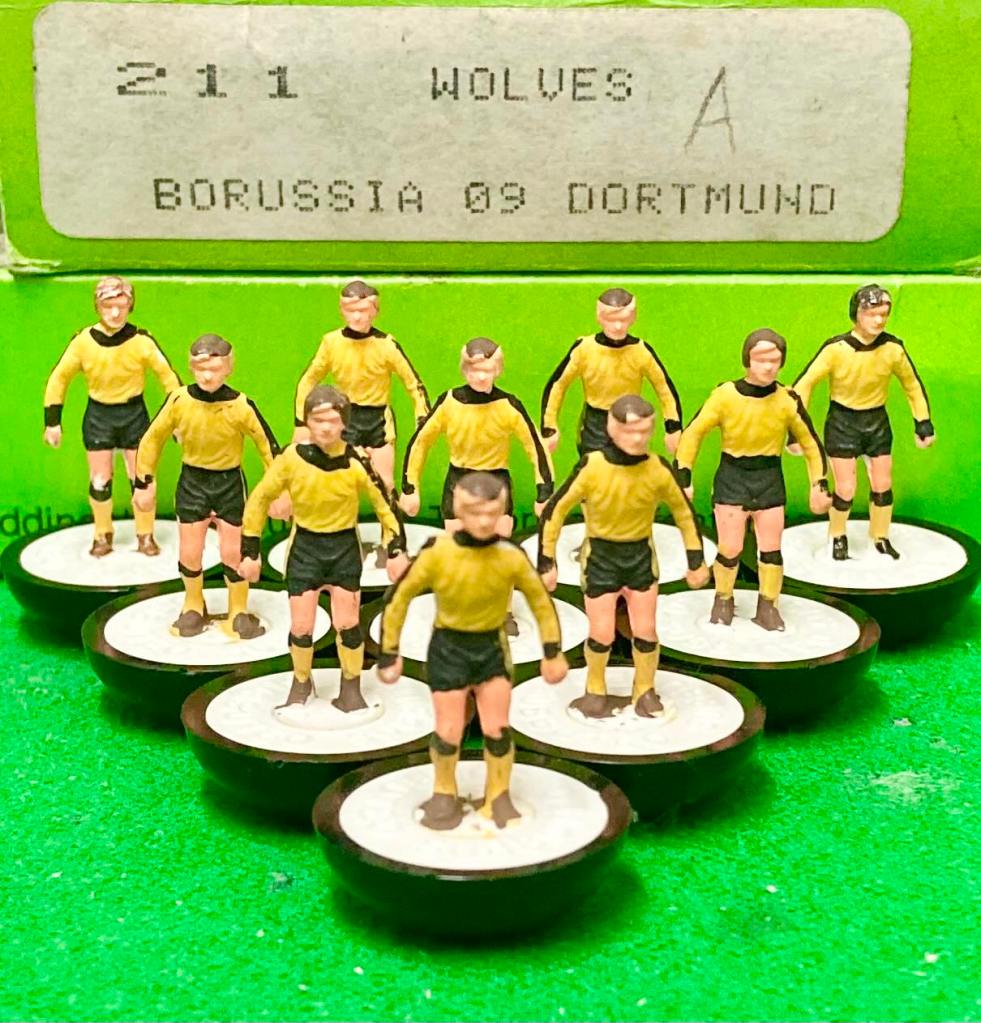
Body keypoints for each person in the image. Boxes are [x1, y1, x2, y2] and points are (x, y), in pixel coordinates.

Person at [377, 472, 567, 831]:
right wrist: (389, 652)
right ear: (458, 510)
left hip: (491, 649)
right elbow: (399, 598)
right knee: (449, 729)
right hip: (449, 649)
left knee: (497, 728)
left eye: (491, 513)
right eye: (474, 512)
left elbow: (540, 601)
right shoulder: (437, 552)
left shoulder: (511, 556)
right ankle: (443, 792)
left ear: (502, 510)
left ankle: (499, 795)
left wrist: (552, 651)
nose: (482, 522)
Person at [538, 395, 709, 718]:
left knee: (645, 630)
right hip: (601, 558)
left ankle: (645, 690)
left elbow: (684, 513)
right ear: (612, 428)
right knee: (601, 633)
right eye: (630, 431)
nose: (637, 439)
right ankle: (595, 689)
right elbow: (555, 511)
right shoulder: (592, 467)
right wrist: (547, 561)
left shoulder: (657, 468)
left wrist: (695, 560)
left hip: (640, 558)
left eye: (644, 431)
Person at [239, 386, 408, 711]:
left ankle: (351, 687)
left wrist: (396, 549)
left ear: (345, 422)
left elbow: (385, 505)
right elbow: (259, 499)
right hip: (305, 550)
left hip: (344, 551)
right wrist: (250, 550)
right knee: (302, 626)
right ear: (307, 421)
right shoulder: (291, 459)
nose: (326, 428)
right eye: (318, 420)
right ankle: (301, 682)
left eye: (333, 420)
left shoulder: (357, 461)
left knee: (348, 624)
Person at [674, 329, 832, 631]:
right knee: (730, 548)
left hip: (769, 478)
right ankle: (723, 599)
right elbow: (693, 433)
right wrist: (683, 476)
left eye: (775, 360)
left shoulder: (787, 399)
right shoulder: (725, 396)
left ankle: (768, 605)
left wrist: (819, 484)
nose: (768, 367)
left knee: (771, 549)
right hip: (732, 478)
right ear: (747, 360)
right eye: (761, 359)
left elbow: (811, 443)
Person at [133, 334, 286, 639]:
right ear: (191, 368)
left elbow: (268, 446)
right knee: (190, 551)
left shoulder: (241, 405)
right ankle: (193, 604)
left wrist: (280, 491)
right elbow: (152, 439)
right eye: (201, 368)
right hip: (193, 483)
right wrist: (143, 482)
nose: (207, 376)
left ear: (228, 368)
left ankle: (238, 609)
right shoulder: (179, 401)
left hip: (229, 485)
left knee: (233, 552)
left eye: (214, 369)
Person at [399, 336, 554, 633]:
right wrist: (410, 487)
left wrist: (544, 489)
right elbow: (421, 442)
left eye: (487, 369)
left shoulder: (508, 405)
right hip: (459, 482)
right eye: (474, 370)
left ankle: (503, 612)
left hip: (497, 484)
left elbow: (535, 445)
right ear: (464, 369)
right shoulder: (449, 402)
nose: (481, 377)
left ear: (498, 369)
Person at [790, 284, 935, 560]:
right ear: (856, 314)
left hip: (876, 422)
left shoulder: (893, 349)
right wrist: (796, 430)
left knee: (882, 483)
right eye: (871, 314)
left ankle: (880, 536)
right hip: (842, 423)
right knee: (845, 487)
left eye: (884, 314)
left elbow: (912, 385)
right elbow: (804, 384)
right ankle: (837, 534)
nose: (878, 320)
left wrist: (923, 421)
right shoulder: (835, 349)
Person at [43, 276, 180, 557]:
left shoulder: (141, 342)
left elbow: (169, 378)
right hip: (99, 416)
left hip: (134, 416)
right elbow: (59, 378)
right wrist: (52, 421)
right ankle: (102, 534)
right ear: (98, 306)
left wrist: (177, 420)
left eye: (122, 305)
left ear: (130, 306)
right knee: (99, 480)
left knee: (142, 479)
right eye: (108, 306)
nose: (115, 313)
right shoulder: (83, 342)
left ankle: (145, 535)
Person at [293, 280, 429, 503]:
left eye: (363, 310)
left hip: (378, 420)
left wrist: (422, 414)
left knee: (385, 483)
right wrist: (301, 420)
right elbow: (308, 380)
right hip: (345, 419)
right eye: (351, 310)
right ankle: (341, 524)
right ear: (342, 310)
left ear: (375, 311)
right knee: (341, 482)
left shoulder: (386, 344)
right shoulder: (331, 343)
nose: (357, 317)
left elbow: (413, 383)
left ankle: (392, 523)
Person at [540, 288, 682, 458]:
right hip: (595, 424)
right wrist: (549, 427)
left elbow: (664, 387)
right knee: (591, 466)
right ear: (600, 317)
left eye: (623, 319)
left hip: (630, 421)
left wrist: (673, 426)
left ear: (632, 318)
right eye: (611, 319)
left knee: (632, 466)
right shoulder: (584, 349)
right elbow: (558, 384)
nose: (617, 326)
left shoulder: (640, 351)